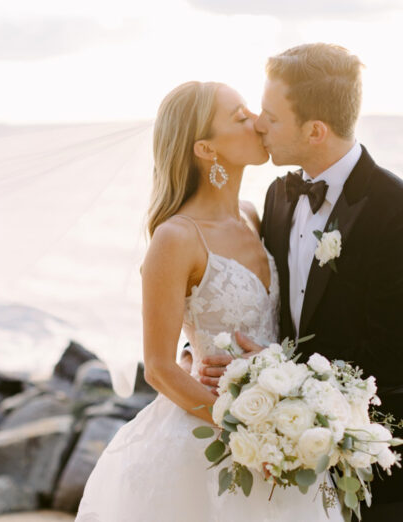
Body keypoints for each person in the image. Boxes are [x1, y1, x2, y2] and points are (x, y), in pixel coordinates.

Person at [203, 43, 403, 521]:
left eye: (272, 117)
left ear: (315, 130)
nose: (259, 124)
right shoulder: (278, 195)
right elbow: (264, 304)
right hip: (292, 454)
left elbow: (395, 363)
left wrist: (271, 371)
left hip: (382, 452)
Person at [75, 80, 342, 521]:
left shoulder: (253, 214)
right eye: (240, 118)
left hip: (278, 421)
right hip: (212, 436)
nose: (257, 121)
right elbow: (159, 369)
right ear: (205, 149)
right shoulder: (176, 238)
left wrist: (281, 419)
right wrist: (249, 431)